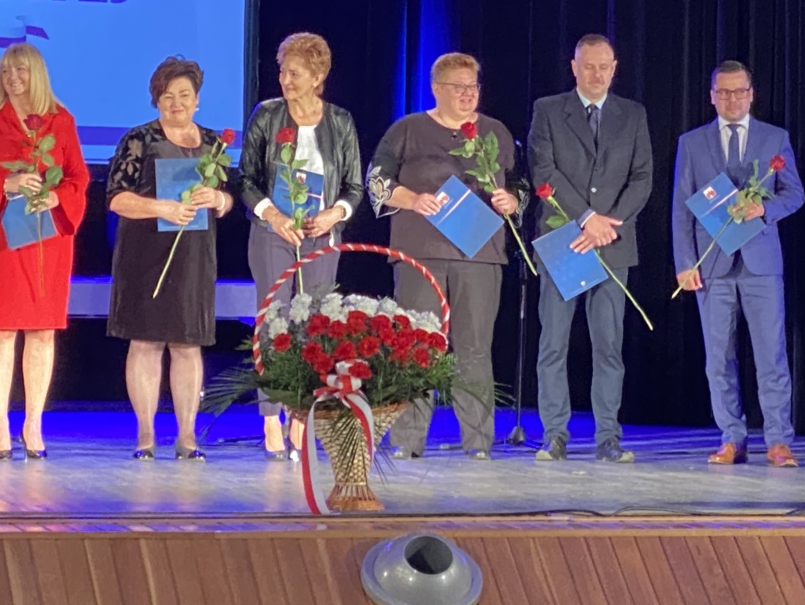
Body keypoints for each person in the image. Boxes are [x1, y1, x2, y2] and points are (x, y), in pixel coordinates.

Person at [368, 52, 524, 460]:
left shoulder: (495, 132)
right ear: (437, 89)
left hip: (480, 254)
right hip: (420, 252)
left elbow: (519, 183)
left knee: (475, 348)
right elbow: (377, 181)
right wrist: (412, 199)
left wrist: (512, 201)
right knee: (417, 344)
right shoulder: (407, 130)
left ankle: (478, 442)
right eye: (459, 87)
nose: (468, 94)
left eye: (473, 87)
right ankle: (408, 439)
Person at [0, 43, 90, 460]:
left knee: (42, 330)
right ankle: (0, 421)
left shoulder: (61, 120)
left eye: (20, 70)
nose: (12, 78)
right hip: (3, 239)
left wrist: (57, 197)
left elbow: (78, 177)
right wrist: (6, 185)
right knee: (1, 329)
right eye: (6, 71)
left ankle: (33, 423)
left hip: (48, 239)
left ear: (37, 74)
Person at [672, 60, 805, 467]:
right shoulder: (692, 143)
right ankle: (732, 437)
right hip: (712, 265)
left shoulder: (774, 138)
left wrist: (763, 210)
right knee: (718, 359)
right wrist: (685, 263)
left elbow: (794, 194)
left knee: (771, 355)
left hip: (761, 264)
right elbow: (681, 209)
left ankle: (778, 440)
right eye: (723, 93)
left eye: (739, 92)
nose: (731, 100)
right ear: (712, 96)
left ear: (751, 94)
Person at [527, 34, 652, 463]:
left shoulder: (632, 114)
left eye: (604, 66)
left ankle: (608, 437)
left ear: (614, 69)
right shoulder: (548, 109)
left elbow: (642, 177)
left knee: (609, 346)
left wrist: (607, 223)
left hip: (612, 242)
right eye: (588, 66)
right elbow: (543, 170)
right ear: (574, 67)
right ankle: (554, 435)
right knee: (554, 343)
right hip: (564, 239)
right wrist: (585, 218)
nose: (596, 74)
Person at [239, 32, 363, 459]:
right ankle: (270, 417)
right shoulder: (267, 115)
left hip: (321, 235)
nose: (285, 80)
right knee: (274, 321)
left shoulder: (340, 121)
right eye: (282, 71)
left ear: (318, 76)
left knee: (314, 324)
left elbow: (354, 187)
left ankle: (301, 414)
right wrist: (273, 215)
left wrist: (335, 215)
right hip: (273, 232)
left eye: (294, 73)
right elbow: (246, 179)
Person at [106, 57, 235, 461]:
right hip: (145, 255)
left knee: (188, 343)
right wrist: (160, 207)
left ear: (197, 100)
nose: (176, 103)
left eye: (184, 95)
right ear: (156, 100)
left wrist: (219, 199)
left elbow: (228, 199)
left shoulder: (214, 144)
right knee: (145, 342)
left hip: (194, 256)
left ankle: (187, 436)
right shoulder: (138, 139)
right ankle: (146, 435)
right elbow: (116, 199)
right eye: (167, 96)